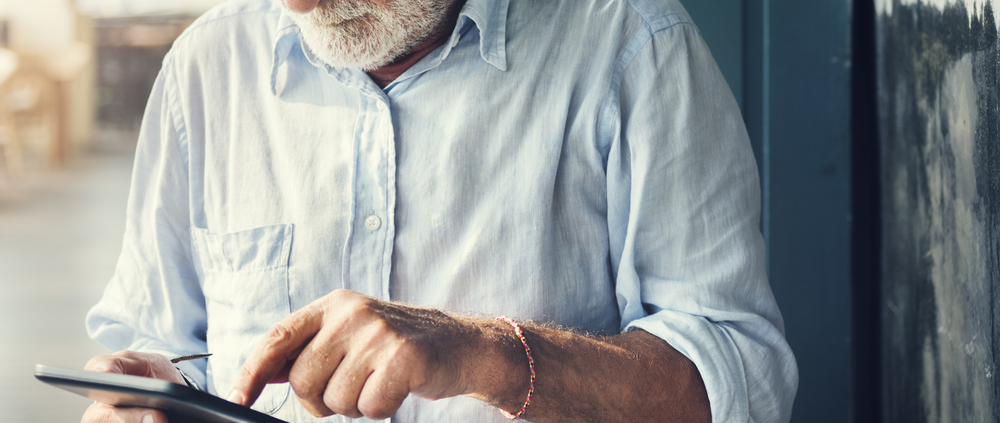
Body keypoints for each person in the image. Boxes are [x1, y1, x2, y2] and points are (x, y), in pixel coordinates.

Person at [82, 0, 798, 421]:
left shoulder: (630, 44)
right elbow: (165, 345)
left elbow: (740, 378)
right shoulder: (206, 65)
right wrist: (144, 392)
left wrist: (489, 354)